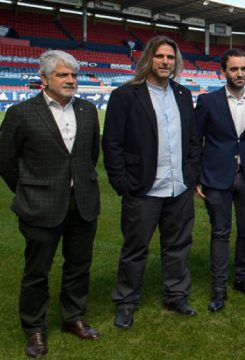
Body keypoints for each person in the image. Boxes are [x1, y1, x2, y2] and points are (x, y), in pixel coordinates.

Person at [0, 50, 100, 357]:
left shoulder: (87, 110)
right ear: (44, 79)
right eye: (62, 75)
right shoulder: (21, 112)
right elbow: (6, 160)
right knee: (36, 271)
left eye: (73, 75)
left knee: (78, 266)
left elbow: (91, 155)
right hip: (39, 205)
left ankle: (73, 318)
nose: (70, 80)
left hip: (82, 203)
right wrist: (29, 190)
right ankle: (34, 329)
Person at [102, 36, 201, 328]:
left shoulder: (183, 94)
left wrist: (191, 173)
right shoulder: (125, 95)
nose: (166, 62)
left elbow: (193, 141)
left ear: (176, 62)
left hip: (178, 188)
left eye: (171, 57)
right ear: (149, 58)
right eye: (160, 56)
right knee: (135, 249)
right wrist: (123, 184)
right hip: (143, 189)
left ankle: (175, 295)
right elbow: (112, 144)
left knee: (178, 245)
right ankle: (126, 301)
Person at [195, 49, 245, 311]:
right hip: (216, 178)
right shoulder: (207, 101)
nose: (240, 73)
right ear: (223, 72)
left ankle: (242, 279)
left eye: (244, 69)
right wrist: (196, 177)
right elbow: (195, 141)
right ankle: (218, 287)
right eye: (234, 69)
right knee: (220, 232)